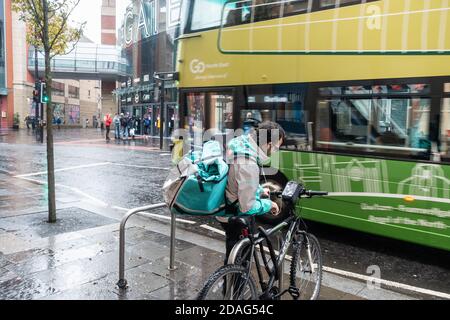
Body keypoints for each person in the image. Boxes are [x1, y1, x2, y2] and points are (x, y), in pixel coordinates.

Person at [216, 121, 285, 265]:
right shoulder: (249, 164)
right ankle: (234, 284)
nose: (275, 151)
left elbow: (237, 179)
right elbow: (247, 207)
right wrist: (269, 204)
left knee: (233, 256)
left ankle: (229, 280)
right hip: (234, 216)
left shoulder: (239, 145)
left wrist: (259, 190)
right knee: (241, 262)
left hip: (225, 206)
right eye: (276, 147)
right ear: (269, 144)